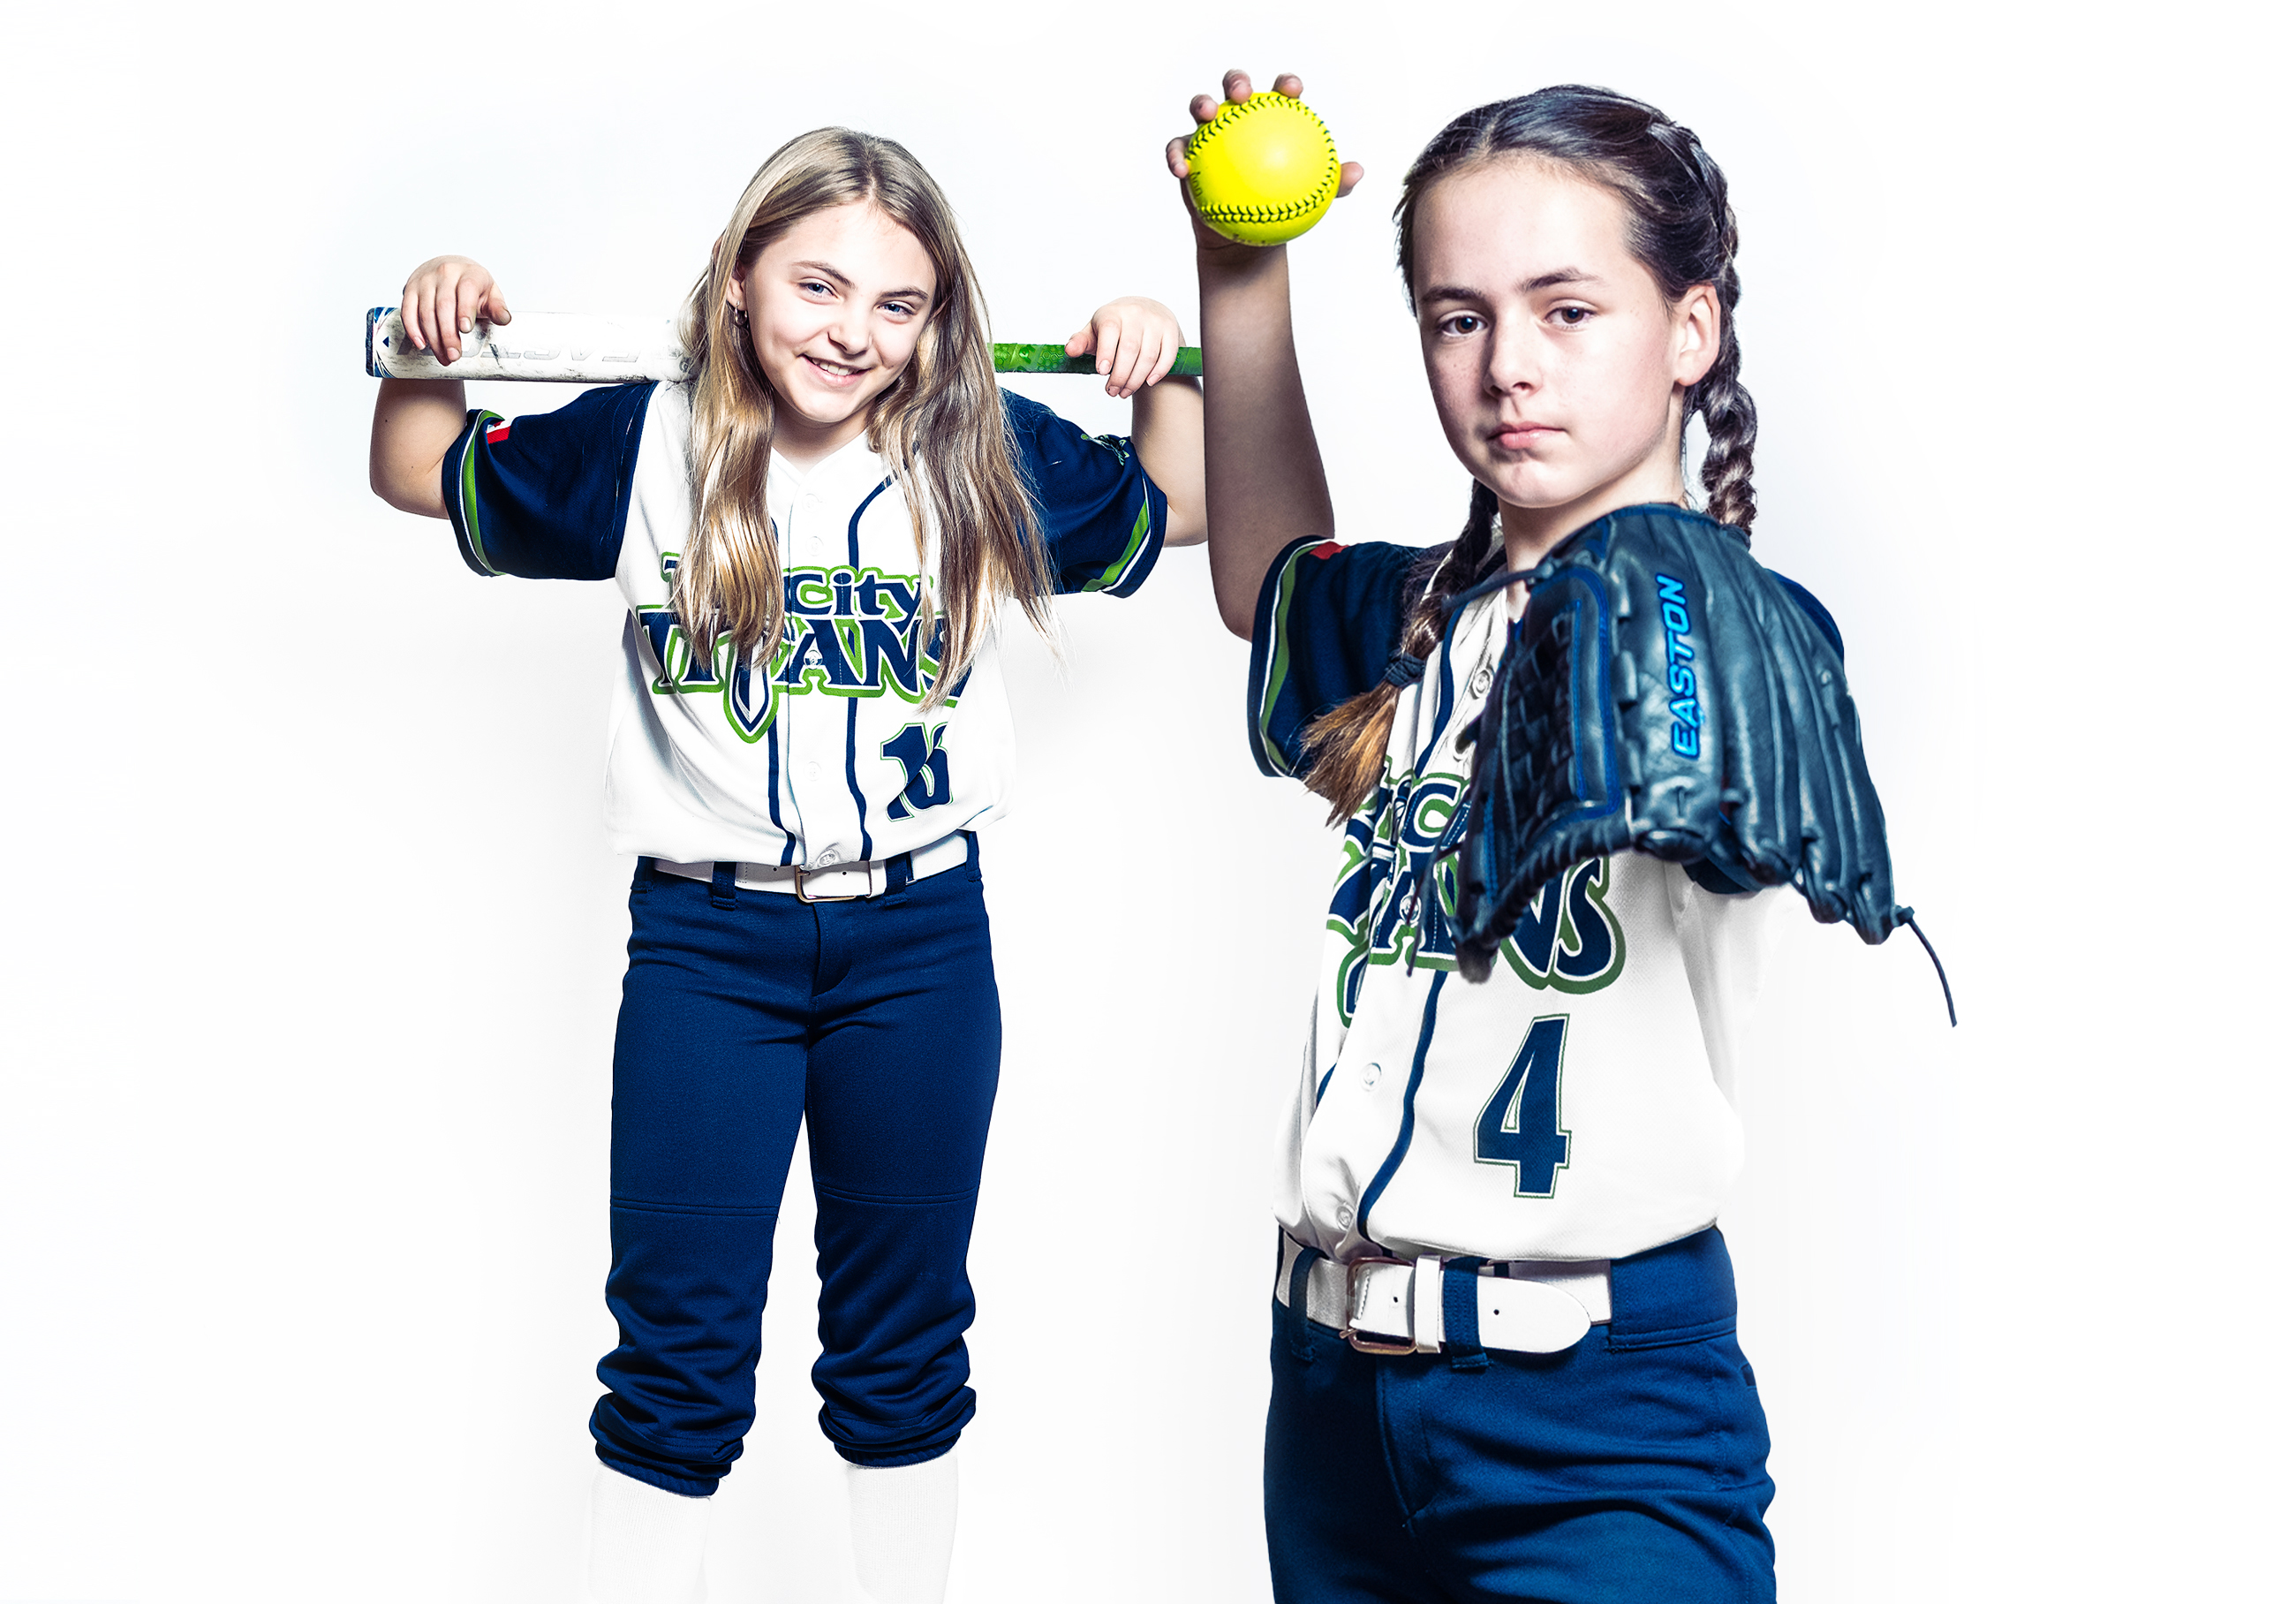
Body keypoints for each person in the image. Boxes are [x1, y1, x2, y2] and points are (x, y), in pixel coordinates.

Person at [369, 126, 1204, 1604]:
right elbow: (418, 473)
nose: (854, 332)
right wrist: (430, 328)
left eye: (898, 304)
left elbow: (1181, 509)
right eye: (817, 286)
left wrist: (1171, 371)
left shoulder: (981, 447)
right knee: (678, 1348)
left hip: (921, 944)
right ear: (740, 280)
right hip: (707, 949)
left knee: (902, 1342)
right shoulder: (646, 443)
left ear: (939, 316)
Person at [1172, 71, 1832, 1602]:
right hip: (1332, 1394)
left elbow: (1713, 734)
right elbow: (1264, 574)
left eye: (1567, 310)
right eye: (1457, 316)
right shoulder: (1421, 625)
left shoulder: (1727, 634)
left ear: (1691, 331)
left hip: (1596, 1410)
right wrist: (1240, 266)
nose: (1507, 366)